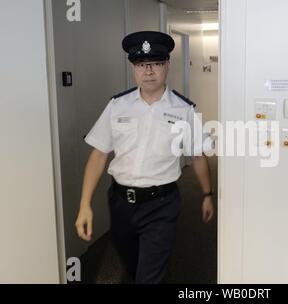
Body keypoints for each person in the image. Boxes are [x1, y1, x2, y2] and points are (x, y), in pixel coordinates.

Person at [75, 31, 214, 284]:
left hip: (161, 204)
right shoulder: (117, 106)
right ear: (133, 68)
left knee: (150, 276)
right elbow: (98, 155)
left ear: (167, 66)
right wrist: (85, 205)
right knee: (132, 264)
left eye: (156, 63)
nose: (148, 71)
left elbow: (197, 155)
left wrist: (207, 194)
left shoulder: (183, 110)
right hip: (120, 204)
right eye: (141, 64)